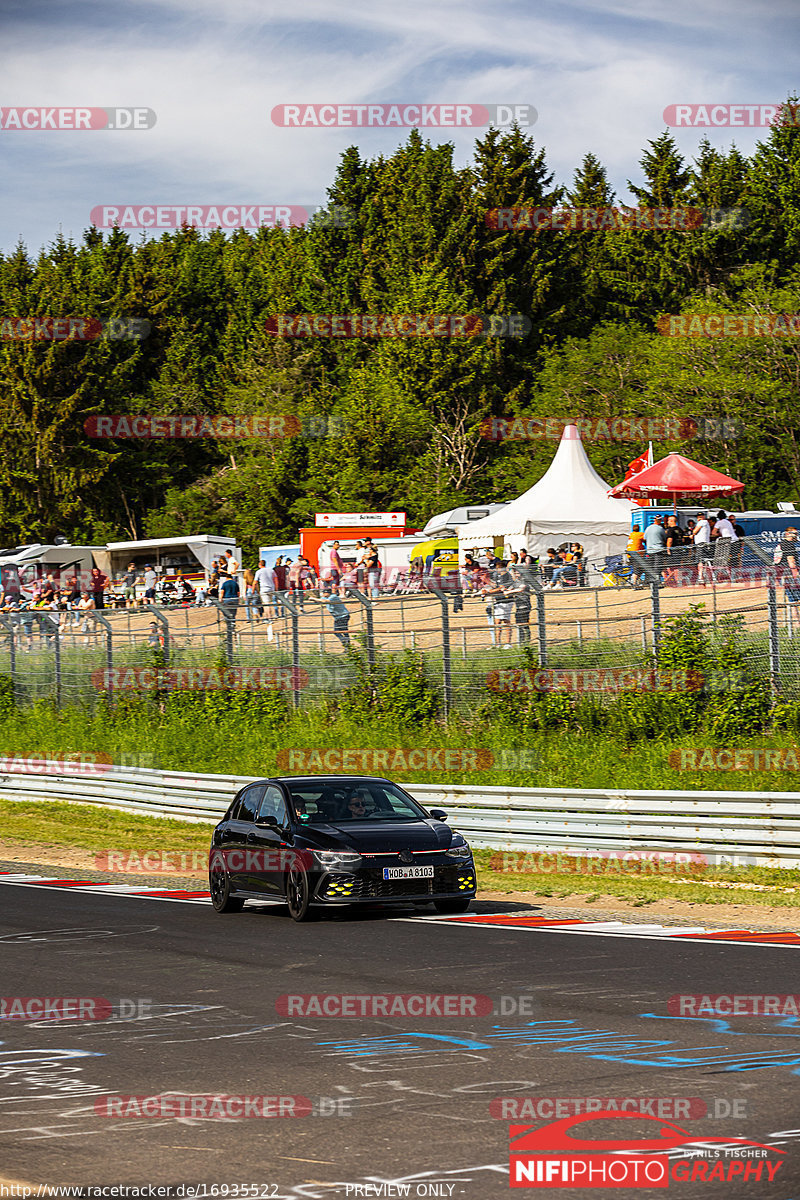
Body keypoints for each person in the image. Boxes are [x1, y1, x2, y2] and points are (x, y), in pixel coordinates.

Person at [507, 566, 532, 644]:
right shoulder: (515, 582)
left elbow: (521, 589)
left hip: (525, 605)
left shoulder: (524, 580)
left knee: (524, 622)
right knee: (518, 622)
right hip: (518, 606)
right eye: (516, 573)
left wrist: (508, 592)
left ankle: (527, 640)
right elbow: (508, 589)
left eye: (518, 573)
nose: (517, 575)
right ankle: (521, 641)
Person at [642, 515, 667, 583]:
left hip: (650, 551)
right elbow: (665, 538)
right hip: (658, 550)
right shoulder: (660, 529)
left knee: (651, 567)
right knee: (658, 567)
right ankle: (657, 582)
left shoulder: (648, 528)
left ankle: (650, 581)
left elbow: (644, 539)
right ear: (659, 520)